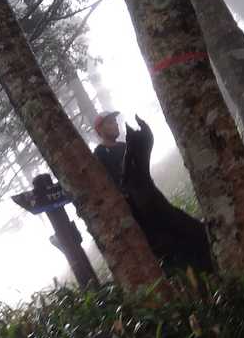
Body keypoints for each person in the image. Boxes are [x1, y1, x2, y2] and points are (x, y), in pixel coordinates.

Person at [91, 110, 214, 274]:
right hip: (137, 212)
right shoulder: (99, 155)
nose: (115, 125)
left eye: (115, 121)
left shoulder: (125, 146)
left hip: (152, 200)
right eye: (109, 123)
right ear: (100, 130)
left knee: (187, 229)